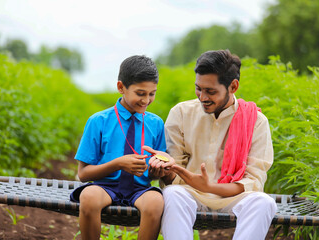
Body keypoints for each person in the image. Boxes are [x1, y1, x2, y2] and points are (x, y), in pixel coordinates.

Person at [145, 50, 277, 240]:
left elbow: (253, 181)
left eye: (211, 91)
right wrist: (165, 168)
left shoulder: (256, 121)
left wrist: (209, 187)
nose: (202, 97)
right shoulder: (181, 113)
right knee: (173, 194)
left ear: (233, 86)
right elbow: (174, 174)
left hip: (233, 196)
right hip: (189, 192)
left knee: (264, 202)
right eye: (199, 88)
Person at [70, 55, 171, 240]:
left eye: (152, 93)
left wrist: (157, 170)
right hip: (104, 187)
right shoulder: (98, 121)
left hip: (140, 190)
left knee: (156, 202)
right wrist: (117, 164)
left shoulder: (156, 124)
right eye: (140, 93)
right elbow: (83, 174)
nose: (146, 100)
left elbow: (153, 175)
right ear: (121, 88)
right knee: (88, 197)